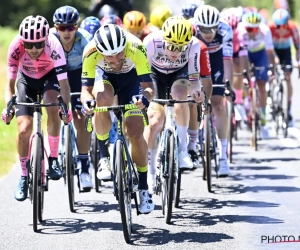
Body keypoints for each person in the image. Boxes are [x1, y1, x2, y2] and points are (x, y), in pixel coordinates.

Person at [80, 24, 155, 213]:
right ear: (99, 51)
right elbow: (86, 91)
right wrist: (88, 102)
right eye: (110, 56)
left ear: (125, 46)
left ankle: (144, 188)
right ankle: (104, 158)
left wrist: (144, 99)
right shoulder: (90, 52)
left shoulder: (136, 47)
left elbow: (148, 86)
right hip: (105, 79)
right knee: (102, 99)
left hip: (132, 81)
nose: (116, 59)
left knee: (135, 133)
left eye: (120, 53)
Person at [2, 15, 71, 201]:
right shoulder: (16, 46)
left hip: (50, 78)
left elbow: (64, 85)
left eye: (38, 44)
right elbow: (9, 85)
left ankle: (54, 159)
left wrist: (66, 109)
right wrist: (7, 108)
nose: (33, 49)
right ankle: (24, 176)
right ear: (22, 41)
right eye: (29, 44)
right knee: (24, 129)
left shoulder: (54, 46)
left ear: (46, 39)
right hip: (26, 80)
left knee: (52, 102)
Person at [143, 16, 205, 193]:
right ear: (164, 39)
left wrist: (196, 91)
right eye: (171, 46)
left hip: (180, 72)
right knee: (155, 120)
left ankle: (183, 151)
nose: (176, 52)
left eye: (181, 48)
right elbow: (142, 76)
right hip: (154, 74)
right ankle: (150, 171)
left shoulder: (193, 45)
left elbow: (194, 78)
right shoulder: (150, 42)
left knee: (180, 97)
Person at [51, 6, 94, 190]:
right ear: (56, 28)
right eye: (62, 28)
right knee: (54, 110)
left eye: (71, 27)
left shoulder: (85, 39)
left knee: (80, 117)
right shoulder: (49, 39)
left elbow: (93, 67)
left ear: (76, 27)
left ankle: (84, 168)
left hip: (79, 74)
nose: (67, 32)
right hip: (56, 74)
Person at [194, 5, 234, 176]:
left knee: (218, 105)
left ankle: (223, 156)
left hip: (216, 61)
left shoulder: (225, 30)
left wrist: (228, 85)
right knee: (192, 101)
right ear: (197, 27)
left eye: (212, 28)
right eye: (204, 29)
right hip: (195, 59)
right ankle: (193, 142)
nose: (209, 33)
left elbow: (227, 60)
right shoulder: (189, 30)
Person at [236, 11, 275, 138]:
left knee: (262, 85)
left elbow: (269, 52)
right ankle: (245, 104)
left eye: (255, 29)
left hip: (260, 53)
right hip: (245, 53)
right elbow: (240, 55)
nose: (252, 31)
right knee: (243, 77)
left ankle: (263, 122)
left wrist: (272, 70)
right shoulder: (240, 30)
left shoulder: (265, 30)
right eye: (249, 29)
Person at [187, 16, 213, 168]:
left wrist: (206, 102)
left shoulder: (200, 47)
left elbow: (206, 80)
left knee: (192, 101)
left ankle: (192, 144)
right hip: (173, 72)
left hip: (193, 75)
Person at [269, 8, 300, 126]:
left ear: (288, 24)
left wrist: (298, 60)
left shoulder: (292, 28)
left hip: (286, 51)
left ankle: (289, 109)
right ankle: (269, 94)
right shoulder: (270, 28)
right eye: (278, 27)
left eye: (284, 27)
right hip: (273, 50)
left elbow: (297, 47)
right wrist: (273, 59)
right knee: (271, 73)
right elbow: (268, 47)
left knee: (287, 77)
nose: (281, 30)